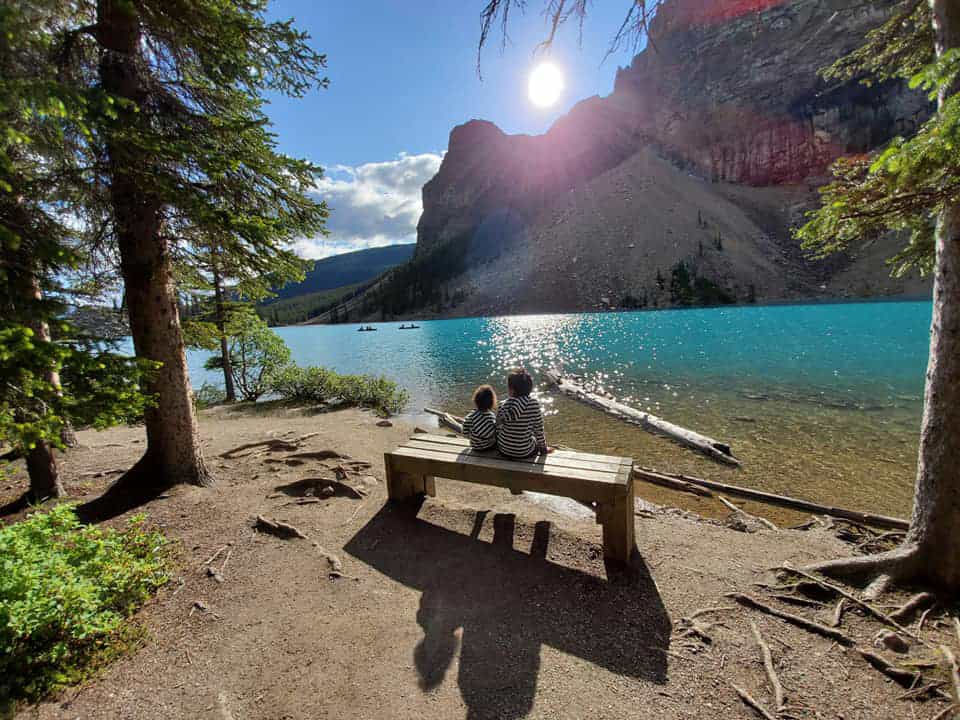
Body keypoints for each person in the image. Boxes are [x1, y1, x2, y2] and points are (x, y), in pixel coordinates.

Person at [497, 368, 551, 459]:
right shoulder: (533, 404)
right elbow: (538, 429)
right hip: (523, 452)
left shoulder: (503, 404)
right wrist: (543, 449)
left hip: (503, 450)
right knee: (533, 438)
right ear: (530, 388)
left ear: (512, 390)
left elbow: (497, 426)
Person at [462, 384, 497, 451]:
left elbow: (464, 432)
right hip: (489, 447)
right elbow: (494, 432)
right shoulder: (491, 417)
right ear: (491, 402)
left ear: (476, 400)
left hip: (475, 447)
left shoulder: (470, 416)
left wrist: (472, 436)